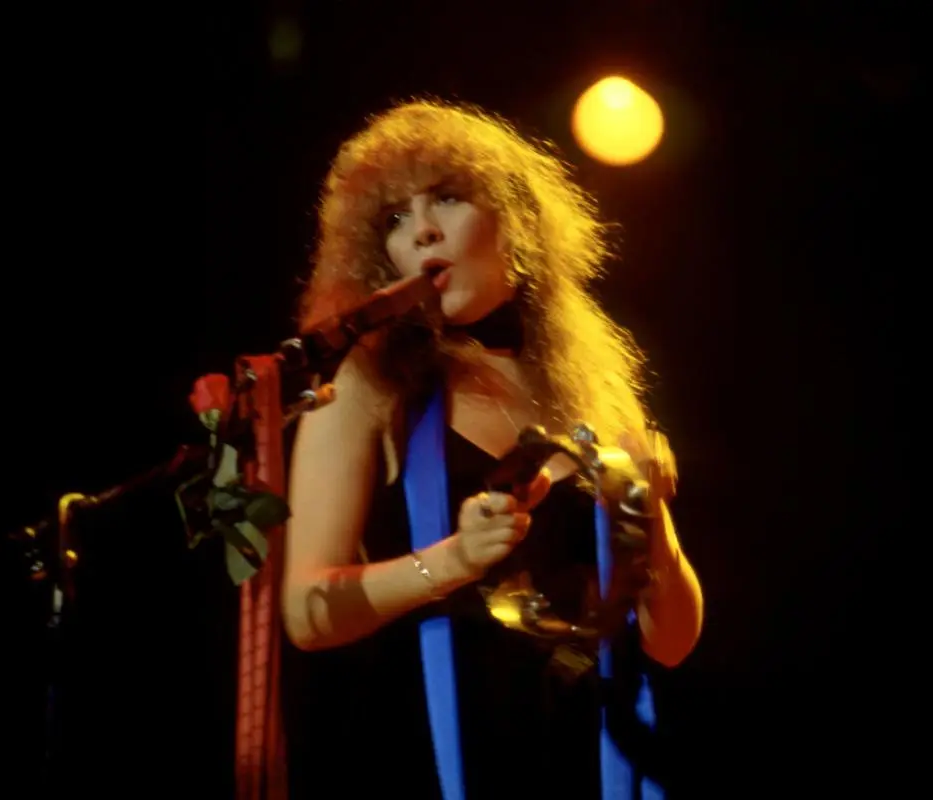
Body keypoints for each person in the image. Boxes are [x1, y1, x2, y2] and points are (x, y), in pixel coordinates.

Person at [280, 98, 704, 799]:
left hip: (581, 754)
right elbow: (305, 614)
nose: (420, 230)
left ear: (516, 220)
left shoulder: (590, 386)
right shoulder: (365, 383)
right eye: (394, 217)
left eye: (446, 198)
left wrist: (651, 520)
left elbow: (671, 642)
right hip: (428, 755)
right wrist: (451, 561)